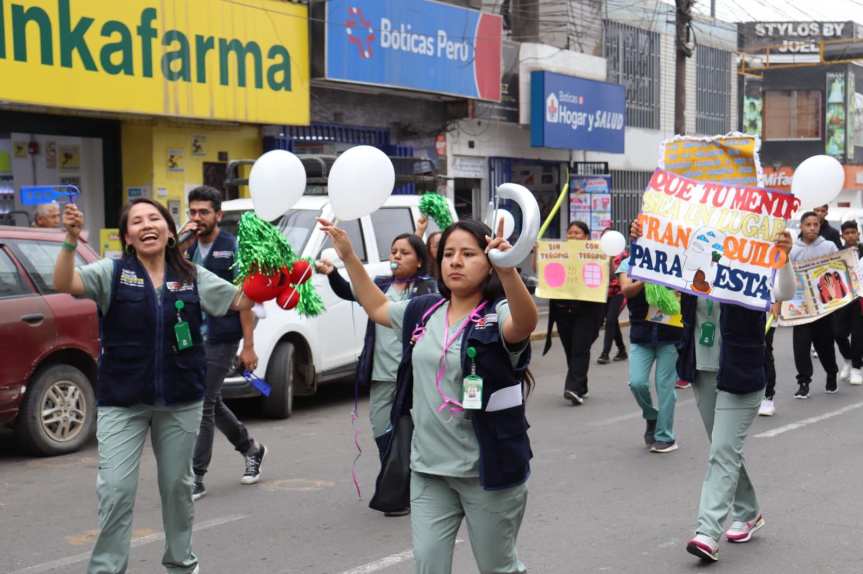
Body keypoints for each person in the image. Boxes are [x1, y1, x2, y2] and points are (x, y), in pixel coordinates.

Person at [318, 216, 537, 574]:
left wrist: (509, 271)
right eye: (449, 253)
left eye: (468, 253)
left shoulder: (496, 316)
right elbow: (376, 307)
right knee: (428, 565)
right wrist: (348, 256)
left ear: (489, 262)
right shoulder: (425, 310)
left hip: (487, 471)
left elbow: (525, 323)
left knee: (499, 568)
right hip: (428, 469)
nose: (455, 261)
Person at [54, 199, 253, 574]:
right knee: (115, 491)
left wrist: (274, 274)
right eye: (137, 221)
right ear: (127, 236)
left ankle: (181, 563)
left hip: (181, 399)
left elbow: (240, 298)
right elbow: (65, 282)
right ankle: (107, 569)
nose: (147, 225)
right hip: (122, 400)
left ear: (169, 229)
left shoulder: (192, 274)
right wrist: (69, 240)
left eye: (154, 218)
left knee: (178, 489)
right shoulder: (112, 272)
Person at [654, 219, 795, 563]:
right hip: (702, 370)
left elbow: (785, 292)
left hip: (741, 373)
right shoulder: (693, 262)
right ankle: (749, 511)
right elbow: (655, 271)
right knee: (724, 450)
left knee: (722, 451)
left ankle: (707, 532)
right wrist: (645, 239)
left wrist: (785, 257)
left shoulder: (753, 263)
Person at [316, 233, 436, 515]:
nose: (396, 256)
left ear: (419, 261)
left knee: (411, 433)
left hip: (413, 376)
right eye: (393, 251)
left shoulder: (426, 291)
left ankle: (404, 489)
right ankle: (396, 481)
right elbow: (350, 291)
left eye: (404, 253)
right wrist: (333, 273)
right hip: (381, 375)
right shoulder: (380, 286)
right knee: (383, 430)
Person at [178, 186, 266, 501]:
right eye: (192, 212)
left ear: (218, 215)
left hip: (222, 336)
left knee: (202, 403)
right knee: (210, 401)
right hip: (189, 335)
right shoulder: (184, 248)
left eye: (203, 212)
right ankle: (250, 448)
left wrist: (249, 346)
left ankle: (196, 476)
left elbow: (247, 300)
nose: (197, 218)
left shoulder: (233, 248)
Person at [616, 259, 682, 453]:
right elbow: (626, 290)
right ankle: (651, 416)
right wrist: (646, 278)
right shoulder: (629, 263)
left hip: (670, 335)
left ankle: (665, 436)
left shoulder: (674, 260)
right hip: (641, 334)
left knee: (665, 388)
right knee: (637, 383)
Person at [543, 221, 605, 405]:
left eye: (577, 233)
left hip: (587, 312)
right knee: (570, 350)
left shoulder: (595, 254)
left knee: (579, 348)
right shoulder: (559, 254)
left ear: (586, 236)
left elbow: (603, 275)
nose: (573, 236)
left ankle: (573, 388)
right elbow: (543, 270)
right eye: (570, 233)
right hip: (563, 311)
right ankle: (581, 385)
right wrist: (538, 253)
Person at [791, 211, 840, 398]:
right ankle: (803, 382)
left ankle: (831, 373)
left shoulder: (829, 246)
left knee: (825, 345)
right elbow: (785, 276)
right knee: (801, 346)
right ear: (801, 227)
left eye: (816, 224)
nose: (812, 228)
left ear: (820, 227)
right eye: (808, 224)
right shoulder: (793, 250)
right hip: (801, 308)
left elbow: (838, 271)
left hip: (824, 307)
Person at [833, 220, 863, 385]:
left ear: (858, 234)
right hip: (844, 301)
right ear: (842, 235)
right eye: (847, 233)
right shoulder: (838, 253)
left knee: (859, 337)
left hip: (861, 302)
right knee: (838, 334)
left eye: (853, 232)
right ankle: (849, 360)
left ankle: (857, 368)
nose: (851, 235)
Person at [597, 230, 628, 365]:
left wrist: (610, 260)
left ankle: (605, 353)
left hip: (619, 293)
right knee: (612, 321)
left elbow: (615, 276)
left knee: (610, 320)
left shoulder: (623, 255)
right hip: (603, 293)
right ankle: (622, 350)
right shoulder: (596, 254)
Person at [758, 302, 780, 417]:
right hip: (743, 306)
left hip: (767, 309)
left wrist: (777, 302)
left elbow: (781, 284)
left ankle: (768, 396)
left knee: (765, 351)